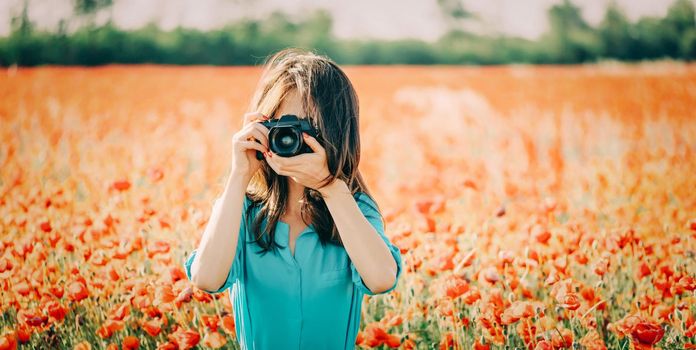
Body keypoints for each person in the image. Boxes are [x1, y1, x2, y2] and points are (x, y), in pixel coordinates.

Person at [182, 47, 402, 350]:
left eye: (306, 127)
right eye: (282, 125)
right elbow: (206, 278)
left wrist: (330, 186)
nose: (291, 138)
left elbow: (382, 279)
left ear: (335, 133)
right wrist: (238, 176)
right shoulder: (243, 210)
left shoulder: (354, 208)